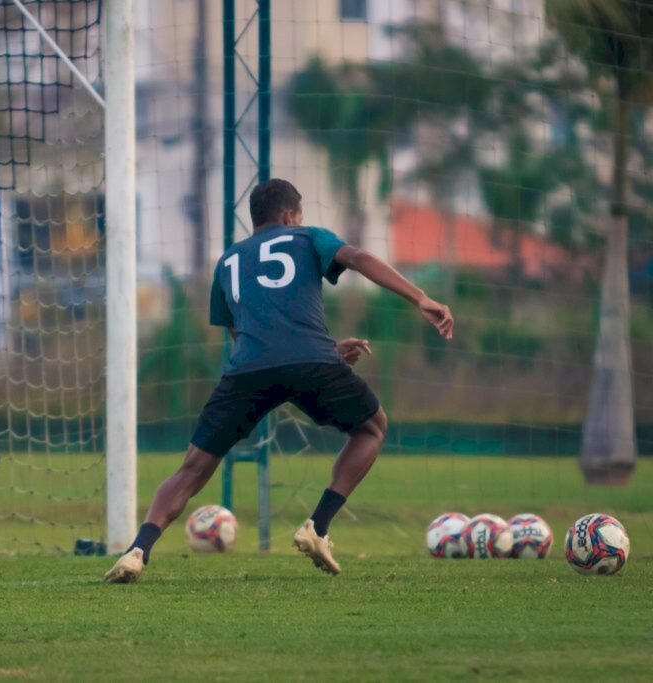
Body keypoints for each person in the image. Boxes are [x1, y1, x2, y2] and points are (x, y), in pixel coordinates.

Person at [104, 178, 453, 583]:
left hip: (249, 370)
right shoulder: (306, 237)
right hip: (311, 364)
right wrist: (421, 298)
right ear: (290, 216)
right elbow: (357, 256)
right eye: (299, 215)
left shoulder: (228, 261)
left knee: (191, 470)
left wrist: (322, 348)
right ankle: (317, 527)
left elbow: (243, 335)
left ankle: (137, 550)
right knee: (373, 428)